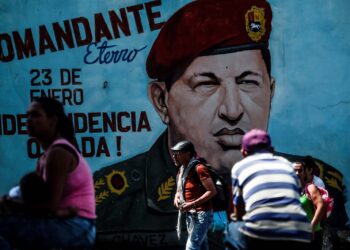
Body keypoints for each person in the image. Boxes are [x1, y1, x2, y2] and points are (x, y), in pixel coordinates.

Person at [93, 0, 348, 248]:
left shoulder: (312, 183)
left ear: (270, 92)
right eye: (207, 84)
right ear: (162, 101)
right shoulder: (112, 202)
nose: (233, 110)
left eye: (248, 82)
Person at [0, 97, 96, 249]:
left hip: (77, 227)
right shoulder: (46, 156)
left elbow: (50, 206)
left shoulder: (58, 153)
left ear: (53, 121)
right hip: (63, 222)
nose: (29, 120)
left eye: (36, 115)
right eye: (28, 116)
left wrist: (15, 206)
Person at [231, 129, 312, 250]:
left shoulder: (240, 167)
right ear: (272, 150)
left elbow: (239, 211)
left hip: (262, 229)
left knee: (233, 228)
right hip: (301, 230)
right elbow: (296, 198)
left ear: (243, 152)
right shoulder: (287, 164)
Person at [172, 140, 216, 250]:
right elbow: (179, 190)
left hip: (202, 214)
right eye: (173, 153)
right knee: (202, 245)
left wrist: (192, 204)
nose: (174, 156)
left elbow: (212, 191)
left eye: (177, 153)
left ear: (188, 154)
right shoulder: (182, 170)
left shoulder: (199, 168)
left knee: (192, 246)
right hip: (190, 214)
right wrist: (177, 197)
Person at [294, 161, 325, 250]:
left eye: (300, 171)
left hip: (312, 234)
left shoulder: (310, 188)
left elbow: (321, 206)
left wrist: (311, 227)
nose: (297, 173)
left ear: (305, 173)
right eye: (294, 170)